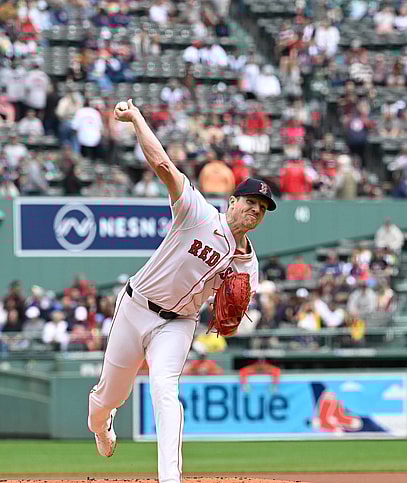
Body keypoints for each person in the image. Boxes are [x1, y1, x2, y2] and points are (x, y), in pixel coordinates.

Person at [87, 99, 276, 483]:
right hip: (136, 306)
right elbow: (162, 165)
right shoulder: (198, 213)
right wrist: (137, 118)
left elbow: (232, 323)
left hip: (178, 324)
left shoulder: (248, 265)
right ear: (232, 201)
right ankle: (100, 424)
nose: (255, 211)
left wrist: (231, 318)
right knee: (108, 397)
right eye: (251, 202)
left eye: (262, 208)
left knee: (164, 390)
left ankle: (169, 479)